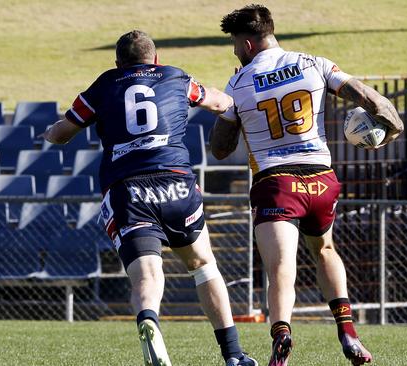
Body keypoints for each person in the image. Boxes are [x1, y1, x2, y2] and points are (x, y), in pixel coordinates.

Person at [41, 30, 257, 366]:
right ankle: (233, 355)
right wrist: (233, 96)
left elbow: (61, 133)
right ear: (155, 59)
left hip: (129, 189)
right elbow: (219, 103)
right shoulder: (174, 76)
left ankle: (148, 319)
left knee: (147, 274)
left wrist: (50, 133)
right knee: (203, 266)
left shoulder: (103, 85)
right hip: (176, 183)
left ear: (117, 63)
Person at [210, 5, 404, 366]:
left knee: (281, 265)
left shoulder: (239, 82)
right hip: (320, 179)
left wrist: (231, 111)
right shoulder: (314, 63)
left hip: (276, 181)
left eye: (235, 44)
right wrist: (391, 125)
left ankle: (281, 334)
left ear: (248, 45)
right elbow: (367, 96)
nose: (235, 51)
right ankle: (348, 333)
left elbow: (219, 149)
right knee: (325, 250)